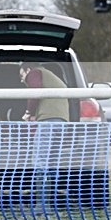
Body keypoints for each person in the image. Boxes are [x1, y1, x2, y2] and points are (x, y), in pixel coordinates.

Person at [19, 62, 69, 210]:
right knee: (52, 163)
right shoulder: (51, 77)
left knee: (40, 163)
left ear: (28, 69)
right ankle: (51, 204)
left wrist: (28, 112)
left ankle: (41, 206)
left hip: (48, 122)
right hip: (62, 122)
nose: (22, 80)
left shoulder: (35, 72)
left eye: (22, 75)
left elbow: (35, 91)